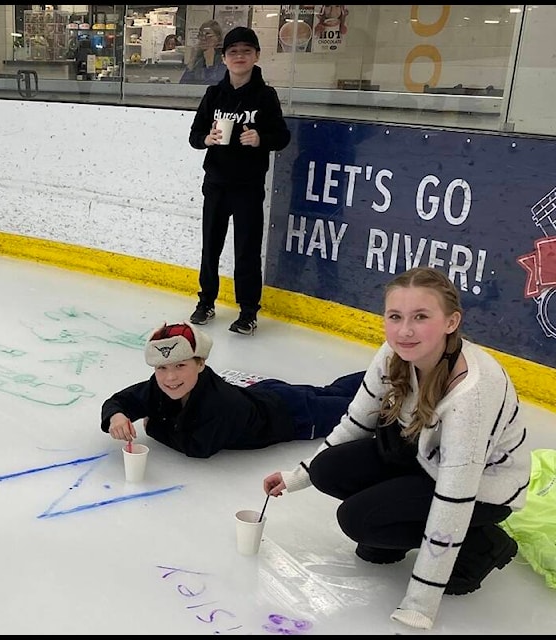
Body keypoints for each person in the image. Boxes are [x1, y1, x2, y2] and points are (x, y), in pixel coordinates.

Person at [261, 267, 531, 631]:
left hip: (481, 491)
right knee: (328, 470)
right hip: (424, 460)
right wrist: (298, 476)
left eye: (421, 317)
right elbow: (357, 422)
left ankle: (481, 546)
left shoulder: (473, 395)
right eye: (395, 317)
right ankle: (394, 526)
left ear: (452, 321)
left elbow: (454, 501)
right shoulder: (393, 352)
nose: (405, 331)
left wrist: (421, 602)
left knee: (357, 520)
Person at [101, 321, 364, 458]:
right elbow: (120, 400)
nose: (170, 377)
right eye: (161, 368)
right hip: (268, 393)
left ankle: (392, 374)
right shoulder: (160, 386)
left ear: (201, 363)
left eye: (180, 366)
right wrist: (116, 416)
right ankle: (387, 371)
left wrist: (153, 426)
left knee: (363, 409)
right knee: (334, 390)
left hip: (296, 417)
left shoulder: (219, 403)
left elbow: (198, 447)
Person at [187, 27, 291, 335]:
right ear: (224, 58)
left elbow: (282, 136)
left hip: (248, 184)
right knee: (211, 246)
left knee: (246, 248)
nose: (240, 57)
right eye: (233, 52)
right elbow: (194, 136)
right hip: (216, 182)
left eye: (246, 51)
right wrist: (207, 138)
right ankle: (206, 302)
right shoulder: (214, 95)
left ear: (257, 56)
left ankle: (248, 311)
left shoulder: (265, 95)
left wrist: (260, 138)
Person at [179, 20, 225, 84]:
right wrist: (191, 62)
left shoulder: (223, 59)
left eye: (208, 35)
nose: (203, 39)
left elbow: (214, 85)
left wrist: (210, 65)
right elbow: (182, 84)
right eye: (201, 35)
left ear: (218, 38)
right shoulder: (199, 59)